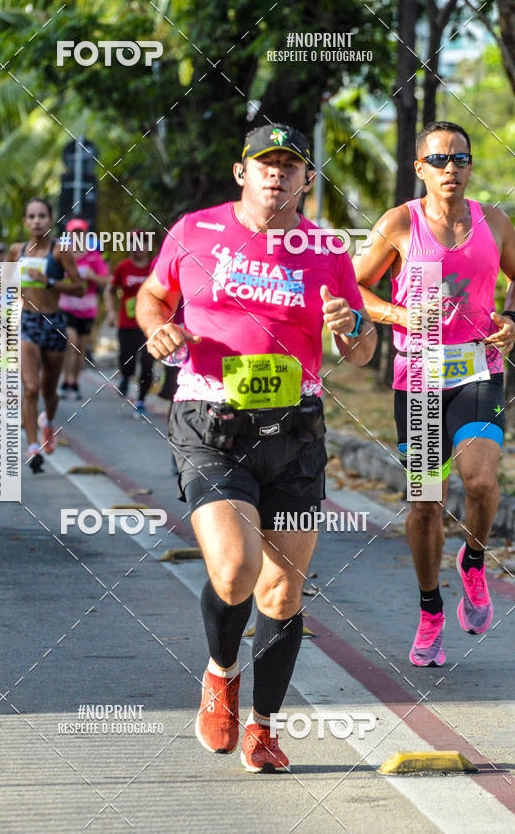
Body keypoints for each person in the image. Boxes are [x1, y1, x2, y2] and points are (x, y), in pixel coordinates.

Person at [137, 122, 376, 772]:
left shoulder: (326, 248)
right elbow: (153, 297)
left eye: (289, 165)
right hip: (211, 421)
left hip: (295, 430)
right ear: (242, 172)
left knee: (282, 592)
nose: (276, 173)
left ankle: (263, 728)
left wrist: (351, 324)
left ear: (307, 178)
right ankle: (221, 674)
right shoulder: (195, 231)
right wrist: (158, 329)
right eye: (264, 163)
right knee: (236, 568)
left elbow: (360, 350)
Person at [353, 120, 515, 667]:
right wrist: (398, 314)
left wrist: (511, 319)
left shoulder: (495, 222)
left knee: (481, 480)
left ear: (470, 167)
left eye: (460, 159)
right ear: (420, 167)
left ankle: (473, 559)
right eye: (440, 159)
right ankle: (430, 609)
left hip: (478, 368)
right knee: (425, 502)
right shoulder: (400, 222)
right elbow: (354, 287)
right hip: (419, 376)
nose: (451, 168)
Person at [6, 197, 83, 473]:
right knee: (30, 387)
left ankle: (48, 423)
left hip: (54, 322)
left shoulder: (60, 250)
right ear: (25, 221)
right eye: (31, 216)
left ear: (51, 220)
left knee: (49, 391)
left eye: (42, 216)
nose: (36, 221)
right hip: (28, 320)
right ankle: (31, 447)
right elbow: (8, 285)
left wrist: (48, 281)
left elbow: (80, 288)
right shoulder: (16, 250)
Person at [59, 218, 109, 399]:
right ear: (69, 235)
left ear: (86, 234)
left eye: (81, 232)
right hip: (67, 307)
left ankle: (74, 382)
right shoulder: (63, 254)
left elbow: (105, 280)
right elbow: (52, 277)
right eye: (74, 233)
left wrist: (92, 276)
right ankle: (65, 380)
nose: (78, 236)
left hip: (87, 309)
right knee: (70, 342)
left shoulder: (94, 256)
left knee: (80, 348)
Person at [105, 237, 154, 416]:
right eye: (133, 243)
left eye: (143, 243)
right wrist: (111, 312)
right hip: (127, 324)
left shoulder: (155, 267)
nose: (138, 247)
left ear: (149, 246)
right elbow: (110, 291)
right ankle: (125, 376)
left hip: (150, 324)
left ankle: (141, 401)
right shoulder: (123, 267)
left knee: (148, 362)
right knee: (127, 360)